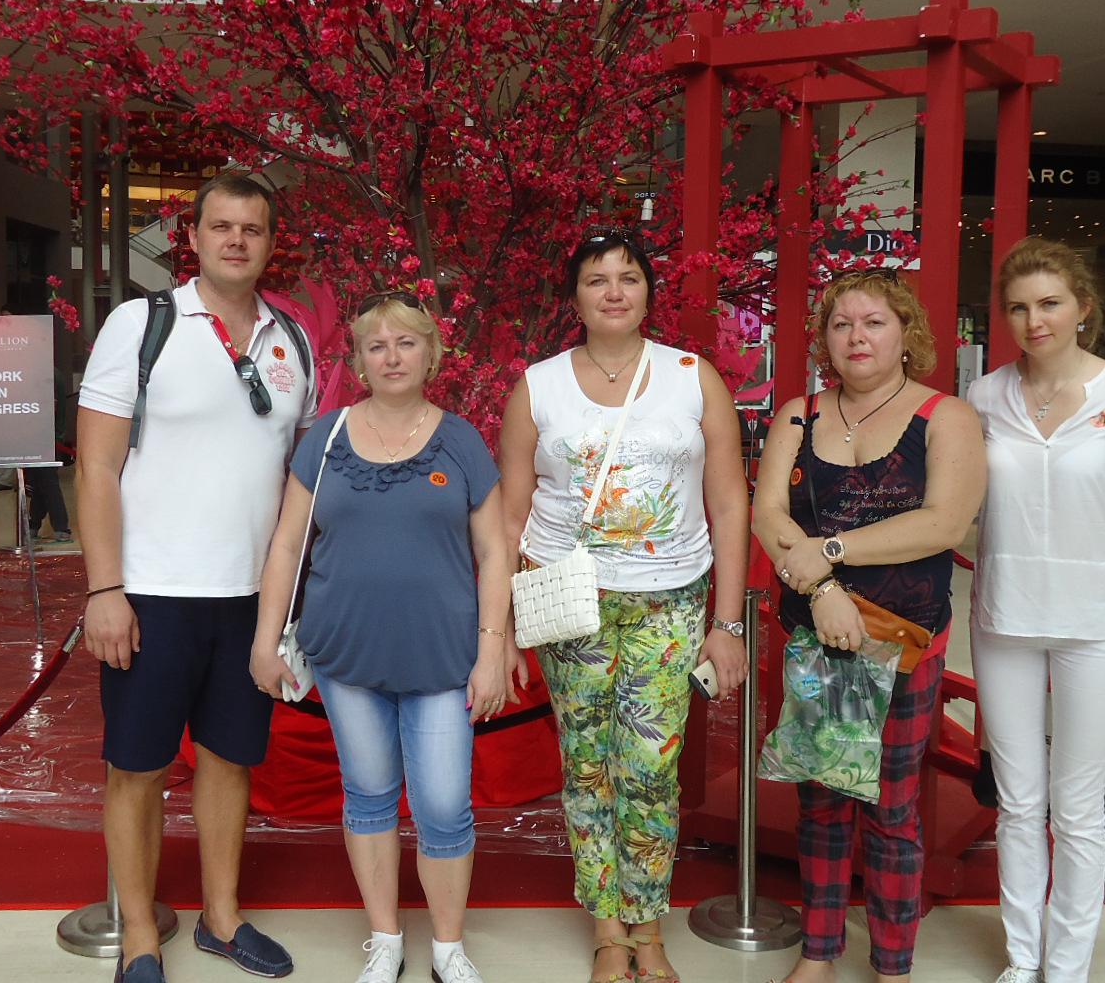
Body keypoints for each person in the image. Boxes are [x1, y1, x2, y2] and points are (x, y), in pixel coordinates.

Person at [499, 227, 751, 983]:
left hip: (670, 600)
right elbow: (511, 514)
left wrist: (728, 623)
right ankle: (608, 929)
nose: (614, 291)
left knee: (649, 765)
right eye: (597, 279)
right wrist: (501, 625)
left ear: (647, 292)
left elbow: (729, 503)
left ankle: (648, 925)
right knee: (586, 765)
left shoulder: (692, 377)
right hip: (570, 599)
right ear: (575, 298)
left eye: (629, 277)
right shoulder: (539, 386)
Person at [75, 175, 310, 983]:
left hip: (249, 598)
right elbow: (95, 468)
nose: (236, 240)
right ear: (195, 237)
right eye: (221, 226)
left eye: (253, 228)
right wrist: (105, 589)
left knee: (228, 759)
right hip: (151, 592)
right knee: (137, 767)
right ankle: (141, 935)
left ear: (270, 243)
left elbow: (291, 474)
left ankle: (221, 916)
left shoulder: (290, 339)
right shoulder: (143, 324)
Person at [251, 291, 517, 983]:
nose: (392, 356)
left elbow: (495, 551)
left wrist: (493, 649)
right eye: (377, 345)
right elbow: (287, 545)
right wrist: (264, 639)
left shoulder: (460, 440)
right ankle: (385, 938)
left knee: (443, 805)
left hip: (442, 657)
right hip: (347, 655)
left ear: (432, 355)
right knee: (368, 795)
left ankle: (448, 948)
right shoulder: (327, 438)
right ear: (360, 362)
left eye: (406, 342)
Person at [752, 268, 987, 983]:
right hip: (814, 636)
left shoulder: (944, 416)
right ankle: (819, 953)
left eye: (874, 322)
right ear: (824, 338)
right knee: (820, 799)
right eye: (842, 323)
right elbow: (768, 514)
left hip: (903, 639)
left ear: (906, 332)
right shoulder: (799, 414)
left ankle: (893, 965)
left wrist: (827, 552)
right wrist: (824, 589)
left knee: (891, 808)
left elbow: (943, 524)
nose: (857, 337)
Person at [966, 237, 1105, 983]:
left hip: (1097, 625)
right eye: (1019, 308)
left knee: (1079, 809)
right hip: (1005, 616)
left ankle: (1068, 967)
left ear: (1083, 307)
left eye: (1050, 304)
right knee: (1019, 803)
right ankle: (1024, 960)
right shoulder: (985, 397)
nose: (1035, 321)